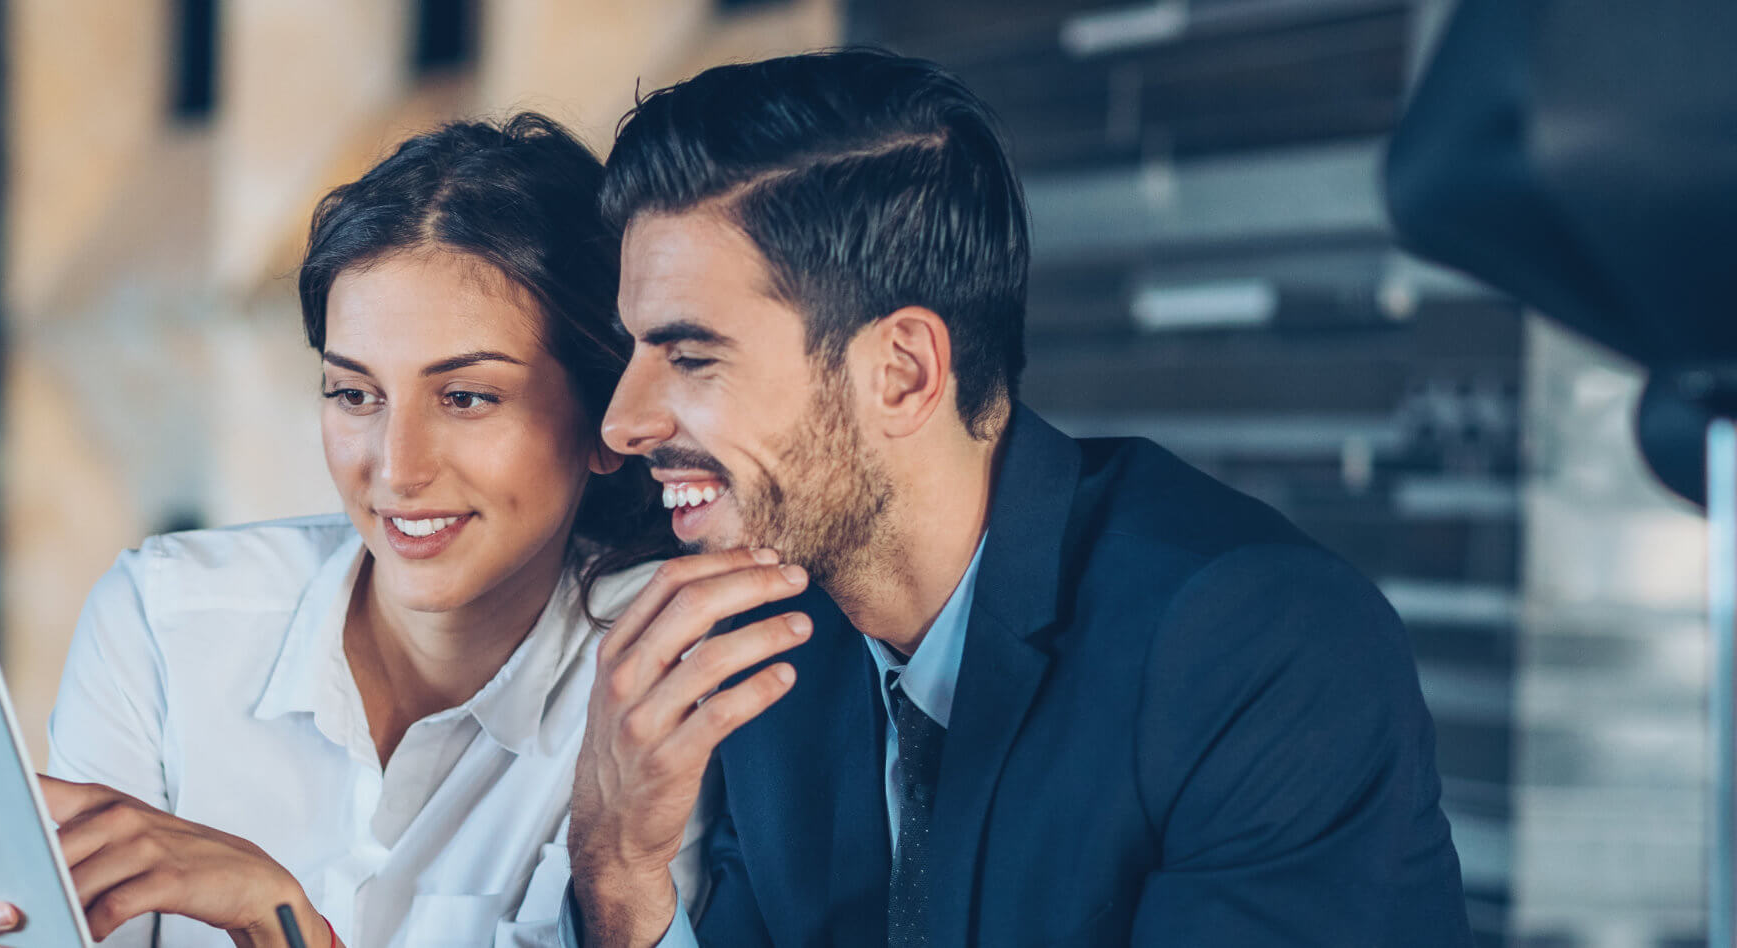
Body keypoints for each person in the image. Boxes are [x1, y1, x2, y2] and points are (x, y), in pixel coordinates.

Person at [561, 50, 1472, 947]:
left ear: (902, 373)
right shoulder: (771, 650)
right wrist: (621, 879)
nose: (621, 424)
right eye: (634, 349)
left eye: (689, 357)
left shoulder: (1260, 649)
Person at [0, 113, 698, 948]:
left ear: (604, 419)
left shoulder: (665, 685)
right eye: (354, 393)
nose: (396, 469)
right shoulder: (170, 623)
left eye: (467, 397)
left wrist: (272, 916)